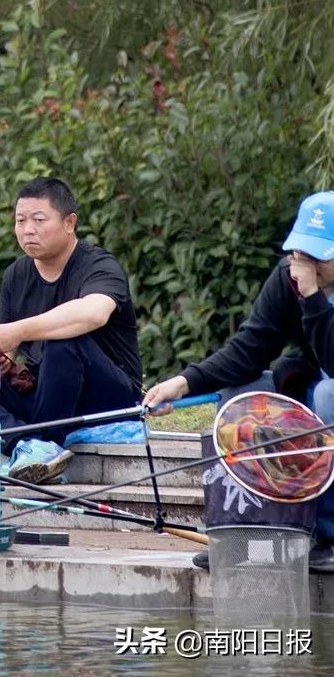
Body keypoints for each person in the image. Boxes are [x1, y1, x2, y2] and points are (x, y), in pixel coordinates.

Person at [144, 191, 334, 572]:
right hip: (311, 381)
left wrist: (313, 298)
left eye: (319, 255)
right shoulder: (288, 277)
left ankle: (327, 535)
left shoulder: (306, 285)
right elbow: (249, 348)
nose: (306, 264)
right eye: (300, 252)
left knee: (330, 394)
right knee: (240, 395)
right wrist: (183, 382)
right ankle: (244, 532)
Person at [0, 178, 142, 484]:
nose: (27, 229)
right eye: (20, 220)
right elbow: (4, 347)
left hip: (107, 396)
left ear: (69, 222)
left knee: (64, 343)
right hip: (48, 395)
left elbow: (93, 313)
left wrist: (18, 332)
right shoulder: (16, 275)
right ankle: (24, 447)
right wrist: (0, 360)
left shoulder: (99, 265)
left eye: (38, 220)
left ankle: (43, 445)